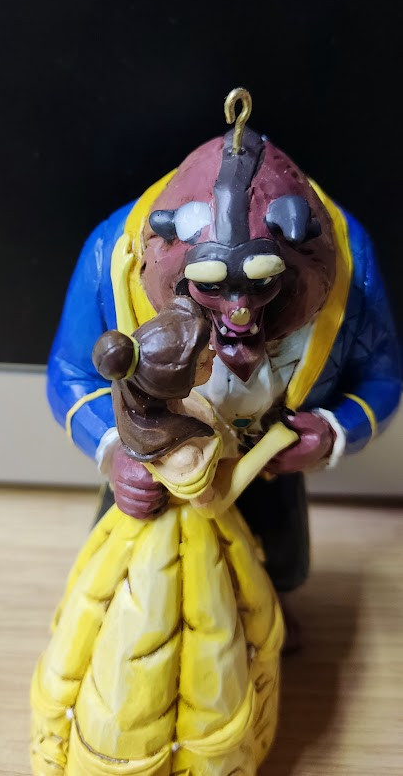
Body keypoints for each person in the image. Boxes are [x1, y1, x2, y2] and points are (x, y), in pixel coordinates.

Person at [48, 93, 402, 649]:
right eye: (212, 288)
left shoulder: (350, 264)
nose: (239, 312)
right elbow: (70, 374)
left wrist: (334, 432)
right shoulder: (110, 255)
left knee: (282, 561)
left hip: (266, 463)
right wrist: (116, 449)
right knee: (125, 576)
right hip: (159, 465)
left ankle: (264, 626)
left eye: (261, 285)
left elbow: (381, 375)